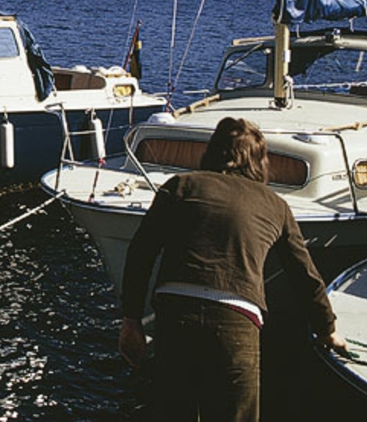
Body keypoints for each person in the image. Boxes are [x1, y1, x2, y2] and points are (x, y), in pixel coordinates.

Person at [118, 116, 348, 421]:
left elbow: (140, 253)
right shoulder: (276, 205)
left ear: (212, 152)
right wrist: (327, 329)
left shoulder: (181, 186)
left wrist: (131, 320)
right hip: (236, 320)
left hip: (177, 315)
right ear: (259, 161)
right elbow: (304, 275)